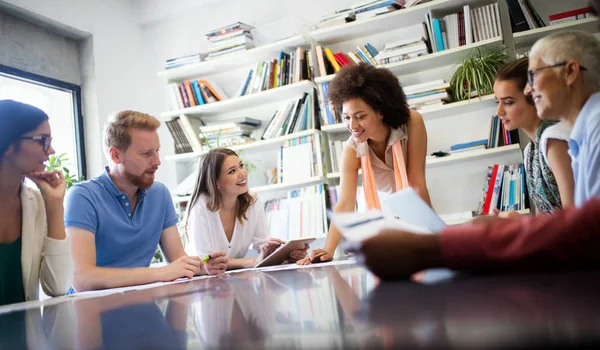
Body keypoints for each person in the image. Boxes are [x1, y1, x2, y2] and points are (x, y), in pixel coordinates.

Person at [348, 30, 600, 280]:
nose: (530, 88)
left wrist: (438, 248)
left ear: (570, 72)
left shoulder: (574, 134)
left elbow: (577, 229)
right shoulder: (567, 137)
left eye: (534, 75)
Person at [65, 110, 227, 292]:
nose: (157, 161)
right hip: (90, 311)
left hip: (141, 303)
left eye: (157, 151)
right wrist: (160, 273)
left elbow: (177, 263)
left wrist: (202, 268)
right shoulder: (82, 196)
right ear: (116, 155)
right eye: (146, 154)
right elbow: (82, 279)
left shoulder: (159, 194)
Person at [299, 63, 431, 264]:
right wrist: (328, 248)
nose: (352, 126)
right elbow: (345, 202)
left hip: (414, 207)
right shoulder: (352, 149)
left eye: (360, 117)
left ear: (380, 111)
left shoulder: (412, 122)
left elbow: (416, 183)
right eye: (347, 118)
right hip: (380, 214)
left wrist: (433, 235)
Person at [183, 148, 308, 269]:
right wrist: (252, 261)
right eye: (232, 171)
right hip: (200, 280)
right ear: (217, 183)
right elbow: (209, 262)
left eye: (241, 166)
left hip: (232, 280)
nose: (242, 173)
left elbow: (262, 244)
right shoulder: (200, 207)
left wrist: (284, 254)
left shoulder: (252, 201)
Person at [0, 100, 72, 306]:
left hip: (23, 336)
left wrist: (54, 204)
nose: (51, 151)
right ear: (7, 144)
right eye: (43, 140)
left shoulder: (37, 202)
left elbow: (57, 287)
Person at [494, 58, 574, 213]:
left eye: (508, 102)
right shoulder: (530, 151)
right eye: (497, 102)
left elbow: (574, 219)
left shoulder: (555, 141)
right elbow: (541, 218)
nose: (499, 112)